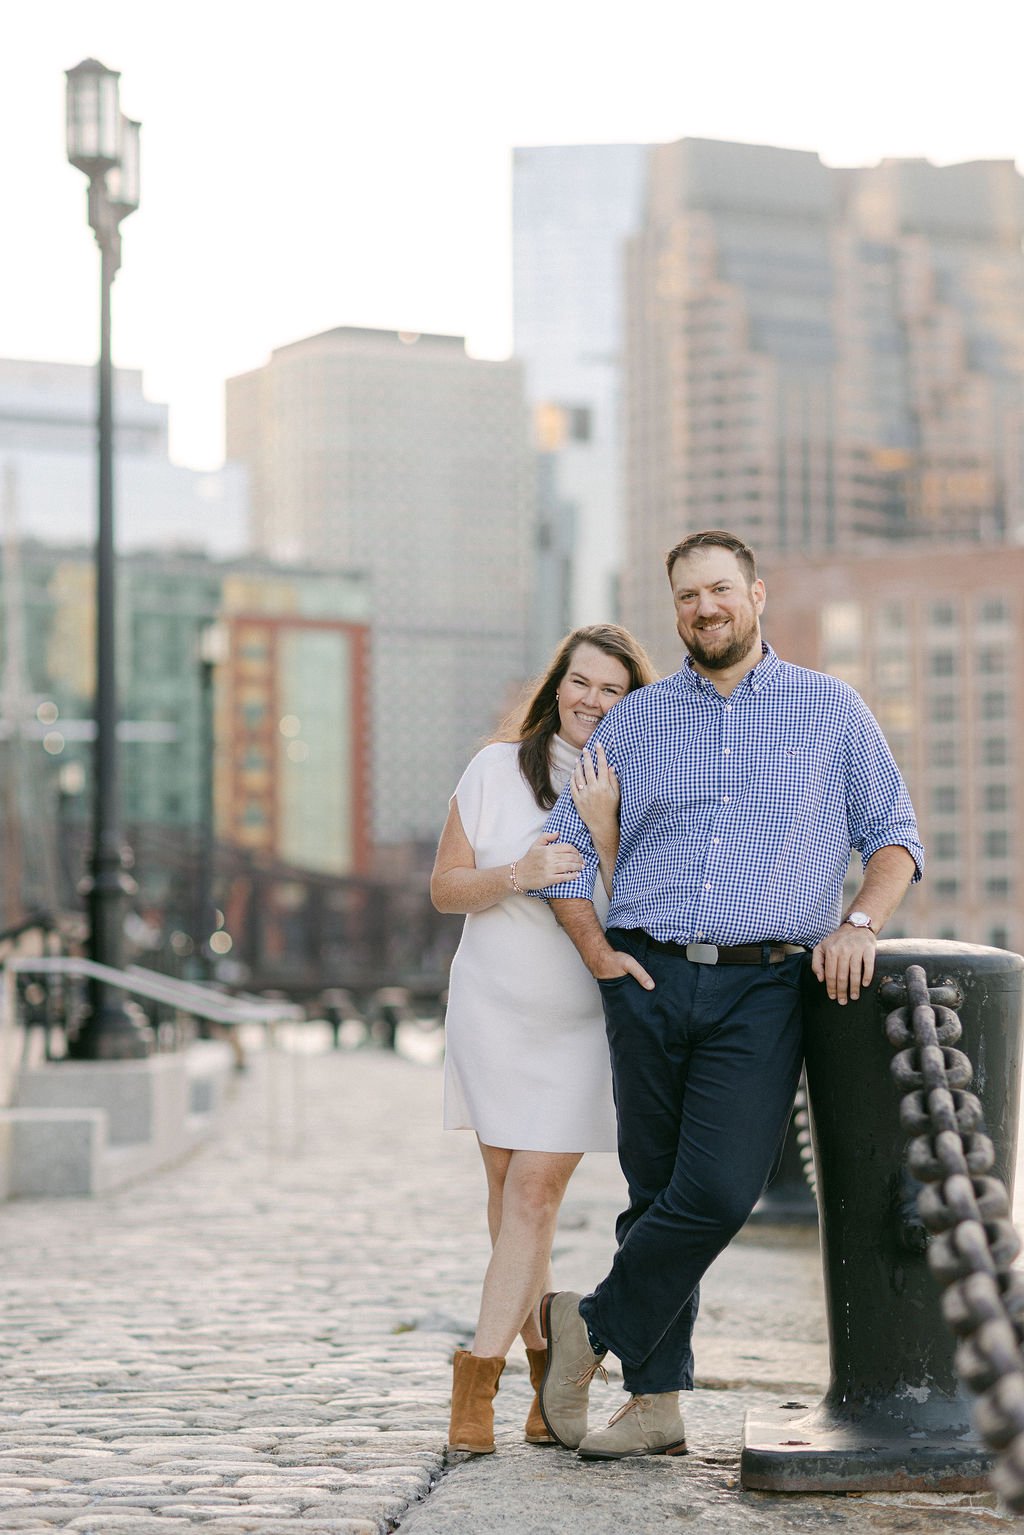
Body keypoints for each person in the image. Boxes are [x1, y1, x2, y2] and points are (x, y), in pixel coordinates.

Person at [534, 530, 924, 1460]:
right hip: (647, 972)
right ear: (674, 610)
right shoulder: (637, 719)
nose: (704, 609)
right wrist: (594, 949)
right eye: (685, 597)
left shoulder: (831, 710)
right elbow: (563, 852)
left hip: (766, 983)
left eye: (719, 590)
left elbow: (895, 839)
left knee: (717, 1190)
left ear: (756, 593)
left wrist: (858, 923)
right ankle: (658, 1405)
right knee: (654, 1190)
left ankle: (583, 1326)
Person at [431, 624, 657, 1455]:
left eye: (612, 689)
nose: (592, 700)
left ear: (633, 702)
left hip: (582, 1020)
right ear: (556, 683)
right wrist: (516, 875)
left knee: (532, 1198)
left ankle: (473, 1388)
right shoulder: (495, 768)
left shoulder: (644, 779)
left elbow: (642, 906)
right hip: (493, 1007)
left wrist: (603, 833)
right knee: (507, 1204)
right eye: (581, 681)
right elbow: (446, 888)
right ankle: (543, 1378)